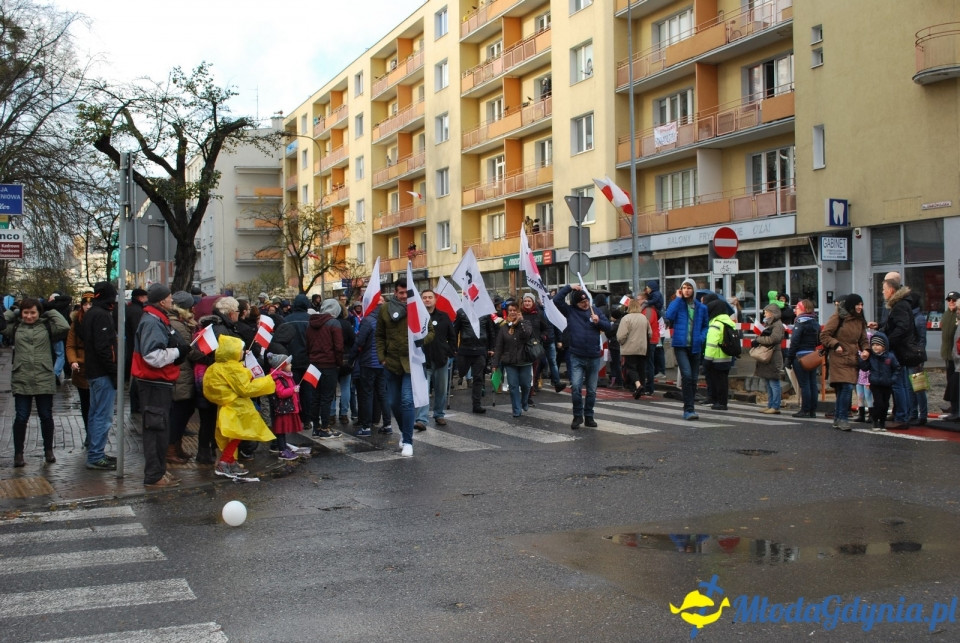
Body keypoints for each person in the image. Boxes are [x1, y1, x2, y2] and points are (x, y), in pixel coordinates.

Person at [132, 283, 192, 489]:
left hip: (159, 382)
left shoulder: (157, 318)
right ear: (161, 300)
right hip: (154, 382)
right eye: (168, 297)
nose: (171, 300)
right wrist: (178, 352)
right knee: (155, 430)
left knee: (160, 429)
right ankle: (154, 475)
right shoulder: (152, 321)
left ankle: (158, 470)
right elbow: (152, 355)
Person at [4, 297, 69, 467]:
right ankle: (18, 454)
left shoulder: (47, 326)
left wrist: (50, 310)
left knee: (46, 416)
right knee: (21, 417)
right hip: (22, 378)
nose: (29, 316)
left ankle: (48, 450)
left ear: (39, 312)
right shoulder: (16, 327)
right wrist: (13, 312)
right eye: (25, 312)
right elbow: (1, 325)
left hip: (43, 377)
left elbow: (64, 326)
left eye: (33, 312)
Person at [202, 335, 277, 477]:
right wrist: (268, 381)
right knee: (237, 434)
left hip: (226, 405)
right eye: (240, 349)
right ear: (233, 351)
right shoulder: (232, 368)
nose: (242, 352)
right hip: (236, 406)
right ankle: (225, 462)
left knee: (230, 436)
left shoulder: (216, 366)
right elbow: (245, 388)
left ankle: (230, 462)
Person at [375, 277, 434, 457]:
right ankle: (404, 431)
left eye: (406, 293)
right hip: (391, 363)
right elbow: (379, 335)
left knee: (407, 401)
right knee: (393, 402)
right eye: (401, 293)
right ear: (395, 292)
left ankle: (408, 441)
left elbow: (430, 331)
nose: (403, 296)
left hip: (411, 363)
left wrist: (421, 341)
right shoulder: (385, 309)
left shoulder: (418, 308)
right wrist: (382, 357)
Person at [552, 284, 612, 429]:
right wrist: (569, 287)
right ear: (576, 303)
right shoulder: (570, 311)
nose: (585, 304)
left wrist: (599, 321)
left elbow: (609, 327)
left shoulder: (595, 311)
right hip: (577, 356)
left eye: (587, 301)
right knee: (576, 387)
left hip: (593, 356)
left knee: (591, 390)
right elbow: (556, 300)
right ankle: (577, 415)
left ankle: (589, 416)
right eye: (582, 302)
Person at [81, 281, 121, 471]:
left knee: (95, 413)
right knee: (102, 416)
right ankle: (96, 455)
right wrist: (114, 371)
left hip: (93, 371)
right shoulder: (102, 315)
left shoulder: (91, 313)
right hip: (102, 372)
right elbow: (104, 347)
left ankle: (95, 451)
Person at [871, 278, 915, 429]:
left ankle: (901, 416)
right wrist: (880, 325)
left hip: (899, 350)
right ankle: (902, 414)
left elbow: (902, 327)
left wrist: (887, 342)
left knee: (899, 385)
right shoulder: (901, 304)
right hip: (901, 349)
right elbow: (895, 323)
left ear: (891, 290)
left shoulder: (900, 305)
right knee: (902, 385)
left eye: (884, 289)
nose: (882, 292)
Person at [820, 293, 868, 431]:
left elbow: (863, 339)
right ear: (851, 305)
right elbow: (824, 335)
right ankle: (843, 418)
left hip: (852, 359)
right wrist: (835, 345)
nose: (860, 307)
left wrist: (866, 350)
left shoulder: (860, 320)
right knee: (846, 388)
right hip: (838, 357)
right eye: (857, 304)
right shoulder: (838, 317)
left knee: (843, 389)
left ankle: (838, 418)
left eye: (861, 304)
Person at [663, 278, 709, 421]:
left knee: (694, 379)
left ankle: (690, 407)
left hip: (695, 347)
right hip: (680, 346)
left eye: (689, 288)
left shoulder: (701, 308)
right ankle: (688, 409)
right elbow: (668, 316)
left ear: (694, 290)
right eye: (684, 288)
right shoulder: (678, 304)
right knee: (687, 376)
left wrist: (701, 338)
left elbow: (705, 326)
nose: (686, 290)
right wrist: (677, 299)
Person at [271, 294, 314, 431]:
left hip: (290, 361)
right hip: (307, 360)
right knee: (307, 391)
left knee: (292, 389)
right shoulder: (310, 320)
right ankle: (307, 419)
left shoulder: (286, 320)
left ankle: (296, 418)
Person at [415, 289, 456, 428]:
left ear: (435, 299)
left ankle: (439, 414)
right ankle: (421, 419)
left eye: (430, 297)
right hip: (423, 360)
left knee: (441, 390)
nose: (427, 300)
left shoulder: (444, 316)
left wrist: (449, 352)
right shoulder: (417, 317)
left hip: (441, 359)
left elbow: (452, 336)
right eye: (424, 297)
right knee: (423, 391)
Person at [350, 301, 392, 436]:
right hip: (383, 362)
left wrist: (351, 359)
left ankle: (366, 427)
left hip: (368, 362)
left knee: (367, 394)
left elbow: (359, 342)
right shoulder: (389, 321)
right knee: (382, 393)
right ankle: (387, 424)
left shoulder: (368, 321)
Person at [167, 291, 199, 464]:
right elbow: (189, 350)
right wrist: (206, 355)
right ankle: (171, 450)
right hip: (181, 375)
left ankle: (177, 447)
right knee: (178, 415)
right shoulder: (178, 325)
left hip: (182, 374)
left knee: (182, 413)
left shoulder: (180, 323)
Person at [306, 298, 345, 438]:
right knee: (326, 397)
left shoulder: (311, 323)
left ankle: (316, 427)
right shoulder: (334, 323)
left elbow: (308, 344)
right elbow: (339, 347)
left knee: (315, 397)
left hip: (314, 364)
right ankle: (325, 428)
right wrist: (339, 363)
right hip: (329, 364)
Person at [491, 301, 534, 417]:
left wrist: (520, 322)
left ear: (519, 311)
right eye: (510, 310)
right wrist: (495, 364)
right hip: (510, 362)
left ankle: (524, 401)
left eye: (515, 310)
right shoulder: (504, 327)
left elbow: (527, 335)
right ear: (507, 312)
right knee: (513, 386)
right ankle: (516, 409)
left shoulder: (526, 323)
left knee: (526, 385)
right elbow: (499, 347)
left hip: (524, 361)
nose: (513, 312)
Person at [454, 306, 496, 414]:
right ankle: (461, 378)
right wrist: (454, 348)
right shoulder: (461, 312)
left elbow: (491, 331)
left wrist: (492, 348)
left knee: (478, 377)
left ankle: (476, 405)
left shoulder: (485, 312)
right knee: (462, 372)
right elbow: (455, 330)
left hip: (480, 350)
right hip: (465, 349)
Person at [66, 292, 95, 447]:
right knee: (85, 404)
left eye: (91, 304)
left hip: (97, 366)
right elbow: (70, 345)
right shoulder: (76, 323)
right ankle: (89, 434)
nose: (88, 307)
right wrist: (73, 361)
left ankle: (95, 435)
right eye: (85, 304)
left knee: (97, 404)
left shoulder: (100, 319)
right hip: (82, 368)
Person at [858, 331, 900, 431]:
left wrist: (892, 379)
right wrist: (862, 359)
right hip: (875, 383)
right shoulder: (871, 357)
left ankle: (882, 422)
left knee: (885, 404)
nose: (875, 347)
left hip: (887, 383)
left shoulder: (890, 356)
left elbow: (897, 368)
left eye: (878, 345)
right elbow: (865, 368)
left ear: (884, 346)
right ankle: (875, 421)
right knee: (878, 403)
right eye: (873, 345)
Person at [785, 299, 820, 418]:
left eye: (797, 308)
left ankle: (805, 410)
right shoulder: (815, 322)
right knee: (812, 383)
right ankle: (812, 410)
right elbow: (819, 340)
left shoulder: (800, 322)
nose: (795, 310)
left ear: (803, 309)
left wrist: (789, 358)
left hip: (800, 356)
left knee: (804, 384)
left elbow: (794, 342)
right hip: (812, 356)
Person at [752, 303, 785, 414]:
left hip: (773, 356)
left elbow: (773, 339)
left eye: (766, 312)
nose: (764, 314)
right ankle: (770, 404)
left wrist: (758, 339)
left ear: (772, 313)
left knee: (774, 382)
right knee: (768, 382)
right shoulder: (770, 324)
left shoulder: (777, 325)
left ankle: (775, 406)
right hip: (769, 355)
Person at [268, 353, 302, 460]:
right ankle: (282, 450)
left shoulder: (285, 375)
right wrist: (293, 390)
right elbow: (281, 393)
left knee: (282, 430)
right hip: (281, 409)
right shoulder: (278, 378)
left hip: (285, 408)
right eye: (288, 364)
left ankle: (283, 447)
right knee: (281, 430)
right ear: (282, 366)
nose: (291, 365)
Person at [703, 299, 735, 410]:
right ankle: (722, 402)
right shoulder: (729, 322)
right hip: (727, 357)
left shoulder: (715, 324)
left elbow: (711, 344)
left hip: (716, 358)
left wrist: (707, 360)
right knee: (723, 381)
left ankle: (720, 403)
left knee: (717, 382)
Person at [616, 298, 652, 399]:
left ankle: (638, 385)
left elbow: (621, 336)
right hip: (642, 347)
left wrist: (622, 342)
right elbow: (650, 333)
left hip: (630, 347)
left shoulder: (626, 318)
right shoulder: (644, 318)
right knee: (641, 368)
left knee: (631, 367)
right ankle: (641, 388)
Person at [906, 291, 928, 425]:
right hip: (910, 355)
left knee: (918, 387)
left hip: (916, 357)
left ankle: (922, 415)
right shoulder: (911, 316)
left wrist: (919, 357)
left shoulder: (918, 318)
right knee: (910, 387)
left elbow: (922, 340)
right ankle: (913, 413)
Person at [125, 288, 148, 413]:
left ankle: (136, 404)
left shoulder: (131, 309)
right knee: (136, 378)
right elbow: (138, 331)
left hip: (132, 347)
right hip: (135, 348)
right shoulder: (137, 311)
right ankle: (136, 405)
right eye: (145, 297)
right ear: (141, 298)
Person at [941, 291, 960, 419]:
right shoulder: (946, 314)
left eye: (954, 300)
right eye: (949, 300)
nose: (951, 302)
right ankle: (953, 407)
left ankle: (956, 409)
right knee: (951, 383)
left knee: (955, 384)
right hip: (948, 355)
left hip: (956, 356)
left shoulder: (957, 317)